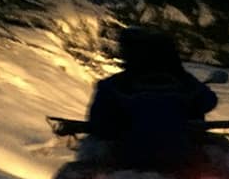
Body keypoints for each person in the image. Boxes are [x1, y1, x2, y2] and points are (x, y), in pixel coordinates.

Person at [85, 26, 218, 170]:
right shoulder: (184, 82)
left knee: (90, 152)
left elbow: (97, 120)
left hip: (123, 159)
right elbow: (209, 101)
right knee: (220, 153)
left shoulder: (115, 84)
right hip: (180, 159)